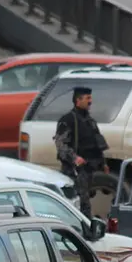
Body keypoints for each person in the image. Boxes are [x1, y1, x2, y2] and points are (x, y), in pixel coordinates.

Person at [53, 87, 109, 217]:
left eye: (90, 98)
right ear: (78, 100)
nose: (90, 101)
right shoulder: (68, 120)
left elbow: (97, 142)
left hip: (89, 169)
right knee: (81, 205)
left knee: (85, 200)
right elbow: (61, 144)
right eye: (87, 98)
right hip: (75, 171)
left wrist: (103, 163)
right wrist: (75, 158)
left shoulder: (90, 121)